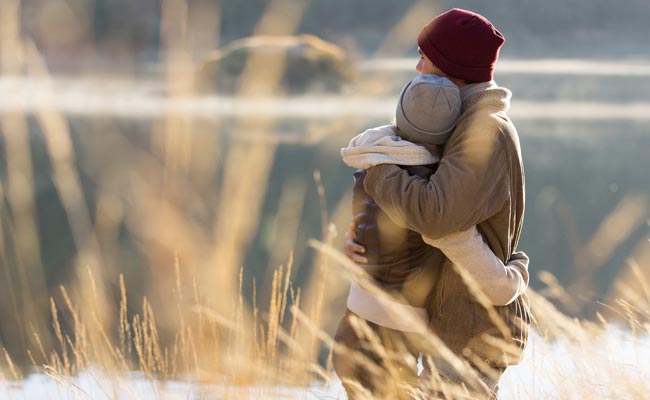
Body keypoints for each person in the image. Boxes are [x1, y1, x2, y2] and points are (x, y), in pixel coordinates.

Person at [343, 8, 531, 399]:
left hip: (471, 333)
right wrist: (368, 235)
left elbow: (436, 216)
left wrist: (378, 172)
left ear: (450, 67)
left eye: (424, 57)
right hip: (447, 319)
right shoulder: (456, 121)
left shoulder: (484, 131)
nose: (417, 65)